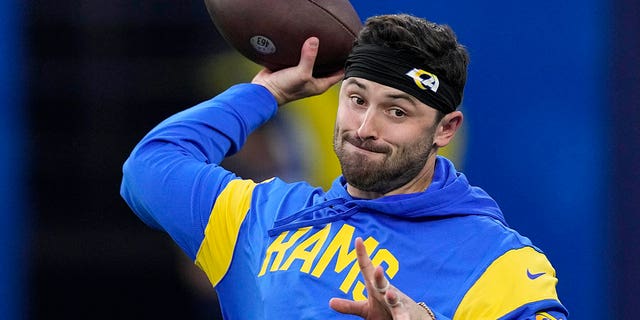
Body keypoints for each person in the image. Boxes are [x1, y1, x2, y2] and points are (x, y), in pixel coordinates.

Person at [120, 14, 568, 319]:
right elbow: (148, 168)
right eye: (356, 100)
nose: (365, 127)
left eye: (397, 111)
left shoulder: (496, 261)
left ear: (445, 129)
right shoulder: (264, 216)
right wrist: (264, 94)